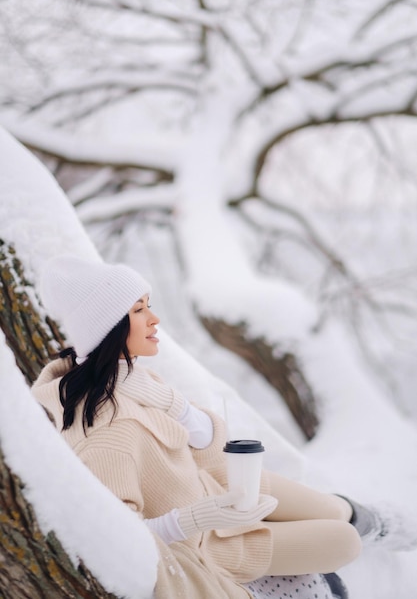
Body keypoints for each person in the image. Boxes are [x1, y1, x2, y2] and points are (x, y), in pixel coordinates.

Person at [31, 256, 413, 599]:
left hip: (223, 484)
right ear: (110, 327)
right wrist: (198, 518)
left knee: (334, 510)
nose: (154, 318)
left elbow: (207, 448)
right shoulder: (107, 430)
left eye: (149, 305)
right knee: (343, 540)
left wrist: (175, 406)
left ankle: (390, 525)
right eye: (138, 310)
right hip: (216, 541)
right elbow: (124, 541)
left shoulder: (135, 380)